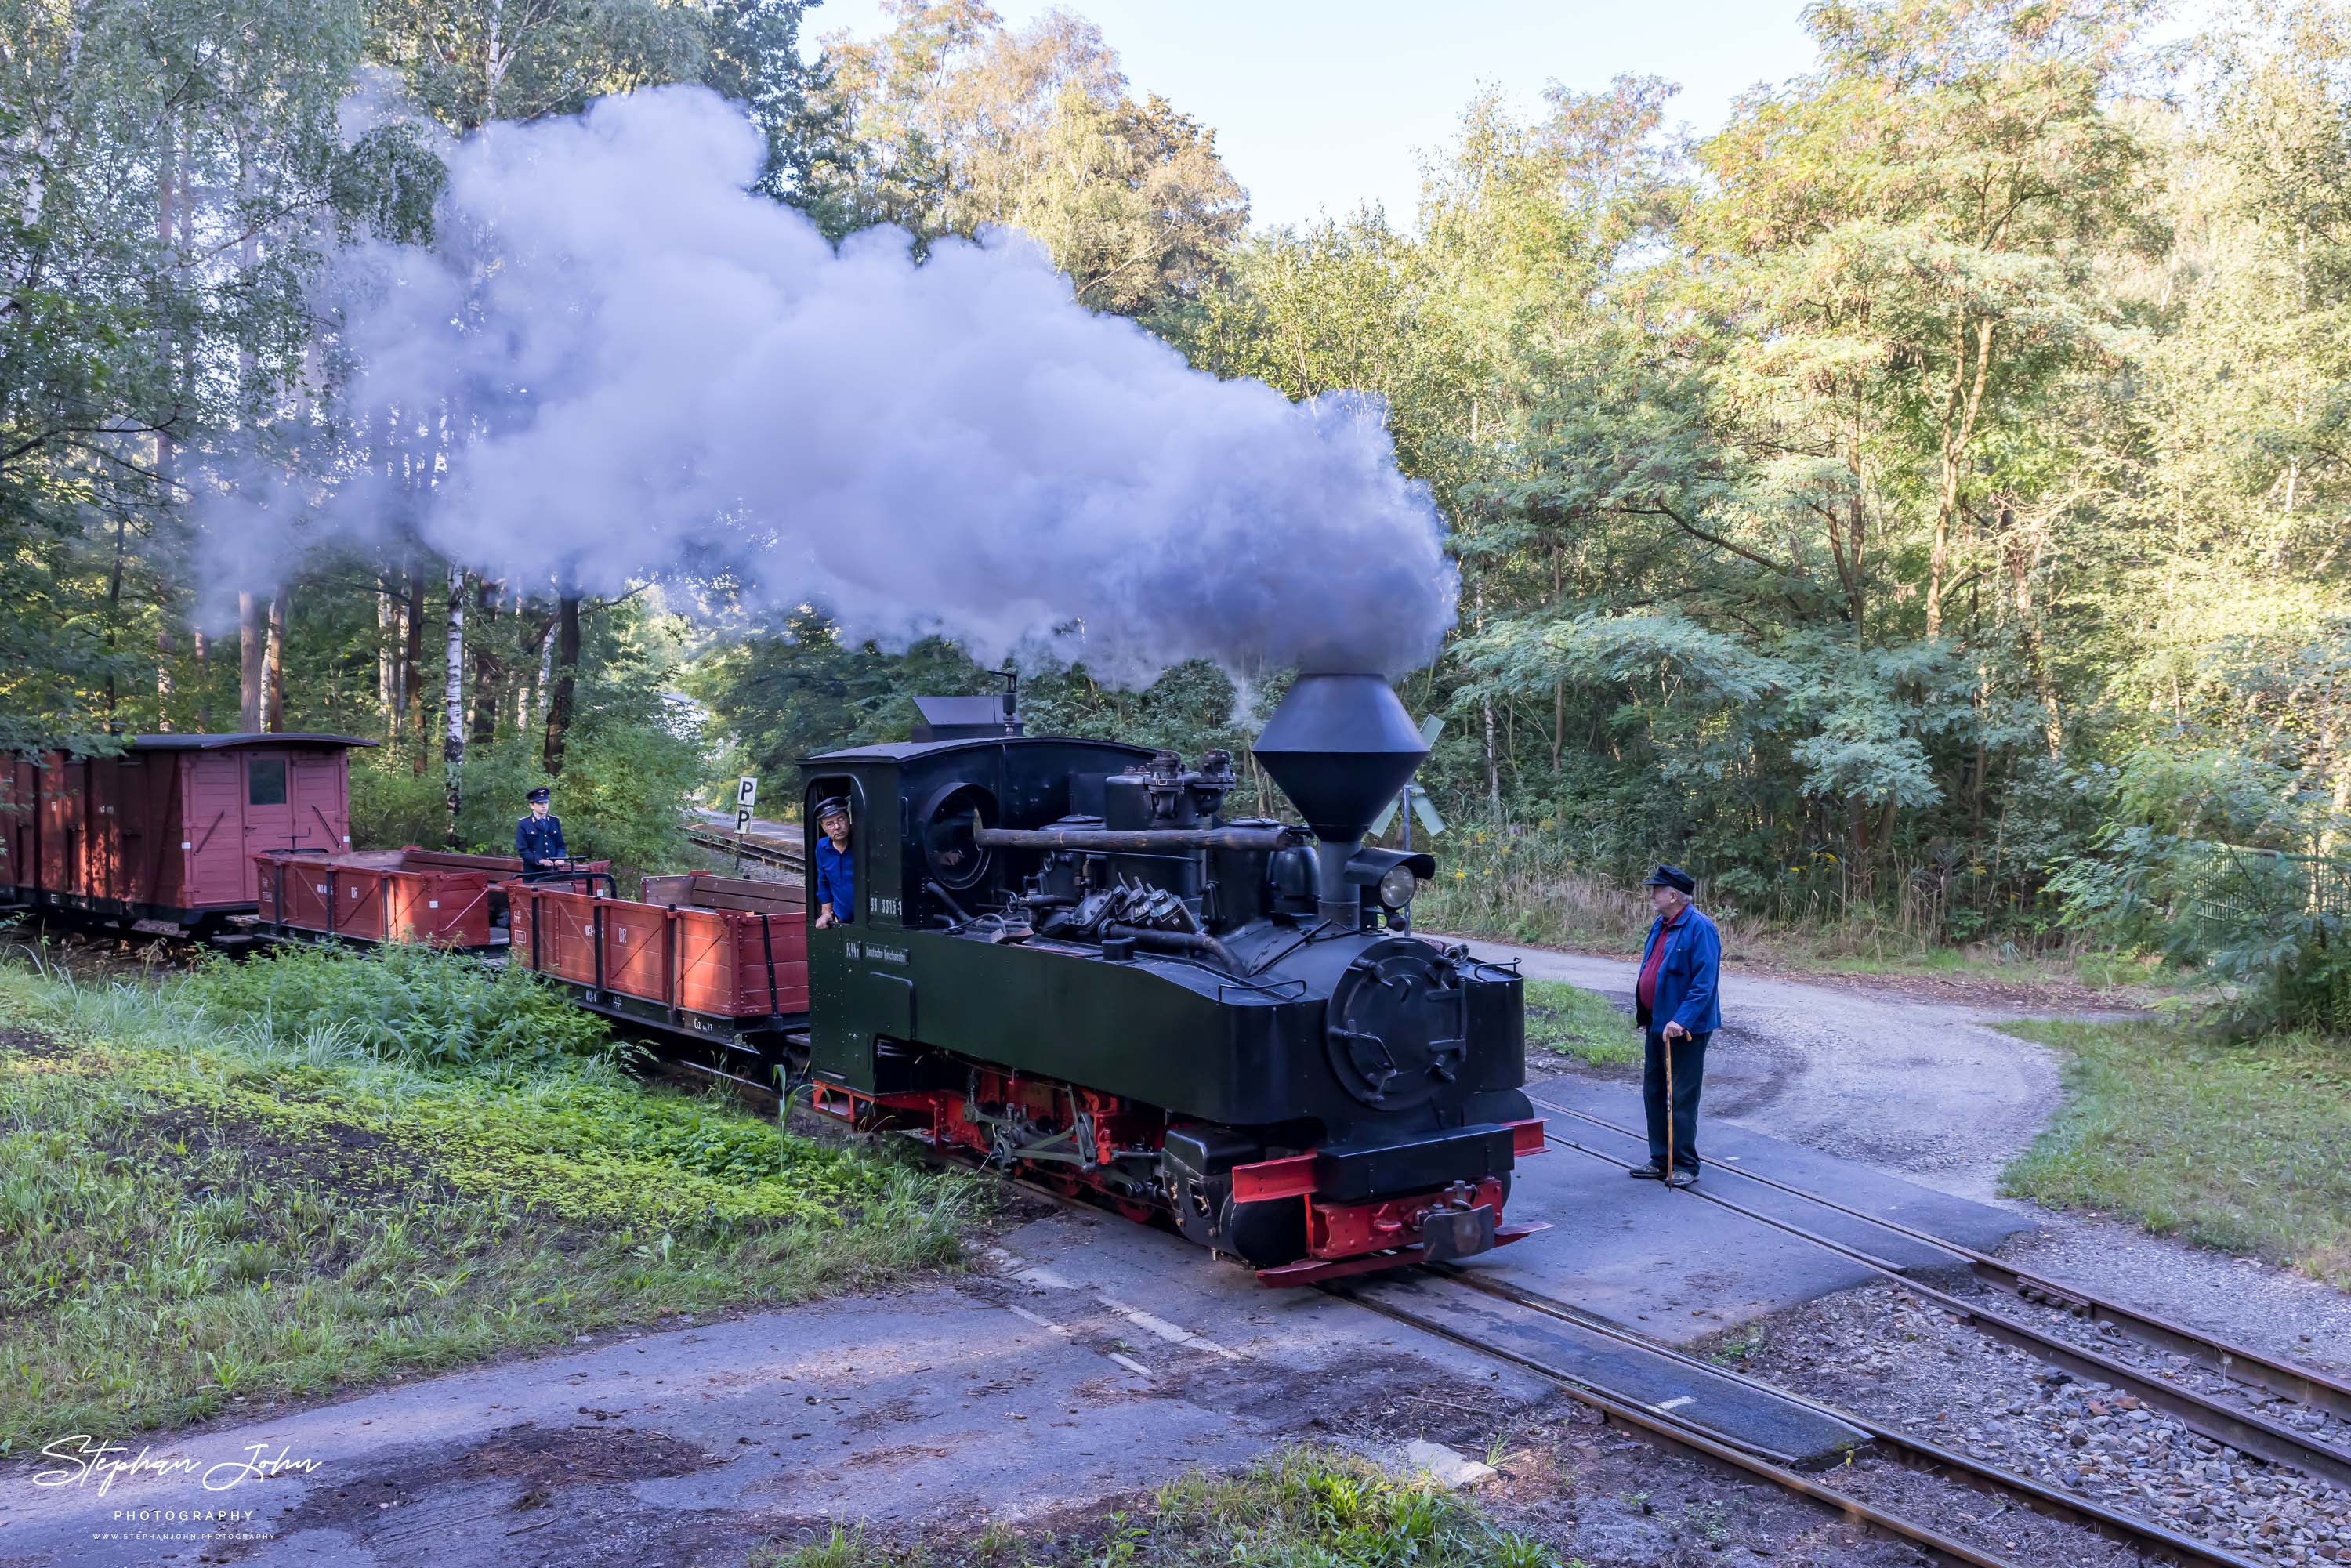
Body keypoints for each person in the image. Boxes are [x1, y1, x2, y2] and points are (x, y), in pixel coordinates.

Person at [1629, 864, 1721, 1188]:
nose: (1652, 894)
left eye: (1657, 889)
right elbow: (1651, 970)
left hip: (1686, 1028)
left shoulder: (1700, 928)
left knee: (1681, 1095)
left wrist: (1681, 1020)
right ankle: (1659, 1160)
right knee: (1653, 1091)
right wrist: (1647, 1016)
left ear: (1673, 895)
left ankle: (1684, 1164)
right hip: (1657, 1023)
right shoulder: (1661, 924)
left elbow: (1704, 983)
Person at [813, 797, 854, 929]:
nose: (837, 827)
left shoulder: (863, 844)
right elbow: (823, 882)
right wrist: (826, 912)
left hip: (868, 923)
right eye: (830, 824)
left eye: (841, 820)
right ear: (823, 827)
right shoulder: (822, 847)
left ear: (849, 819)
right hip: (842, 923)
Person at [515, 787, 567, 872]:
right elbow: (522, 849)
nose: (544, 806)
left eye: (546, 803)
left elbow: (561, 845)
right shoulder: (524, 823)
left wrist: (560, 858)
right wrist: (540, 860)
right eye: (540, 803)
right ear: (532, 805)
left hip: (553, 871)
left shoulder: (554, 821)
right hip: (533, 872)